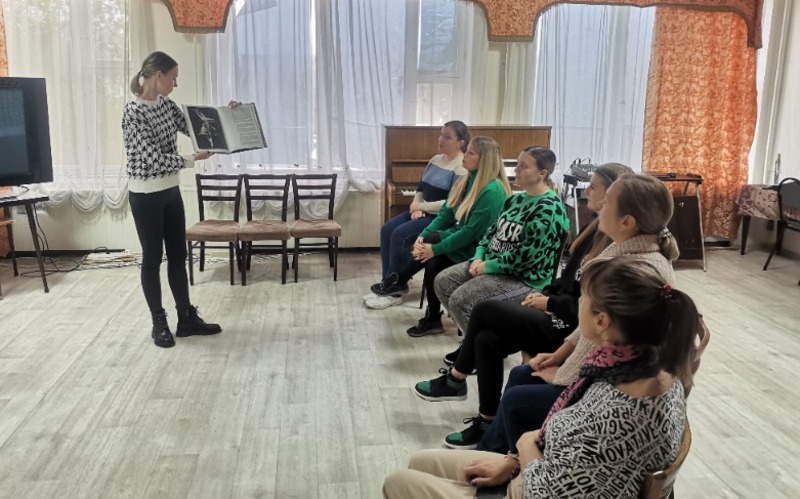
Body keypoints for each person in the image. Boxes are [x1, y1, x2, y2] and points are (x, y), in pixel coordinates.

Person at [383, 256, 697, 499]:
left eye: (582, 298)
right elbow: (573, 449)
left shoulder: (619, 410)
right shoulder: (643, 369)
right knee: (420, 461)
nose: (577, 304)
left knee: (398, 482)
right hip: (536, 469)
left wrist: (526, 449)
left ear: (601, 321)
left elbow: (546, 491)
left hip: (533, 486)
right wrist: (513, 461)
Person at [414, 163, 633, 449]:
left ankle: (456, 378)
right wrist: (546, 294)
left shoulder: (615, 251)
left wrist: (550, 301)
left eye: (593, 187)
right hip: (559, 309)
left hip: (567, 323)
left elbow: (588, 309)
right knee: (486, 338)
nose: (586, 192)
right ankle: (487, 421)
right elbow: (566, 280)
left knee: (484, 309)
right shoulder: (594, 231)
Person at [478, 172, 682, 453]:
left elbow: (608, 344)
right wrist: (559, 356)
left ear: (627, 222)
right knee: (520, 374)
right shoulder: (621, 252)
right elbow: (590, 332)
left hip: (608, 386)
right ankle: (495, 452)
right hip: (599, 370)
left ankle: (506, 460)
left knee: (517, 398)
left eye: (607, 202)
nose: (596, 204)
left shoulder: (630, 271)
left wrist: (566, 377)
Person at [122, 51, 222, 348]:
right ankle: (159, 322)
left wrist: (225, 119)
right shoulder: (133, 112)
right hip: (145, 195)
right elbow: (152, 159)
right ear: (158, 75)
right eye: (174, 78)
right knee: (152, 259)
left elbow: (193, 127)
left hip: (170, 191)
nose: (175, 84)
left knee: (178, 256)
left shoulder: (166, 105)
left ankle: (186, 319)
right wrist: (192, 158)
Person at [371, 137, 512, 337]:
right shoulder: (466, 179)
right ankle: (431, 317)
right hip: (464, 240)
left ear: (485, 160)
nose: (465, 156)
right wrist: (422, 236)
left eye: (470, 153)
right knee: (433, 258)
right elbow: (446, 214)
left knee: (434, 251)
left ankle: (400, 280)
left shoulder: (492, 191)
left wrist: (434, 249)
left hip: (480, 249)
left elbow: (470, 233)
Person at [431, 146, 570, 336]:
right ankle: (475, 339)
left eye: (524, 166)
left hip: (524, 279)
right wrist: (479, 257)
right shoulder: (515, 200)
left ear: (542, 173)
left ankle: (477, 347)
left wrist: (488, 266)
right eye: (517, 164)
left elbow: (525, 258)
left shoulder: (549, 209)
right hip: (495, 265)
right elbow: (490, 234)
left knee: (460, 300)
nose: (516, 170)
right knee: (443, 282)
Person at [365, 121, 470, 310]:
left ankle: (396, 291)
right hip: (421, 211)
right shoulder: (435, 160)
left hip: (439, 218)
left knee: (400, 235)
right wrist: (416, 207)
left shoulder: (461, 168)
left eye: (447, 137)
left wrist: (421, 206)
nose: (441, 139)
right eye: (441, 134)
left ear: (460, 143)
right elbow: (421, 187)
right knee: (387, 230)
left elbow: (451, 203)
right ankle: (387, 282)